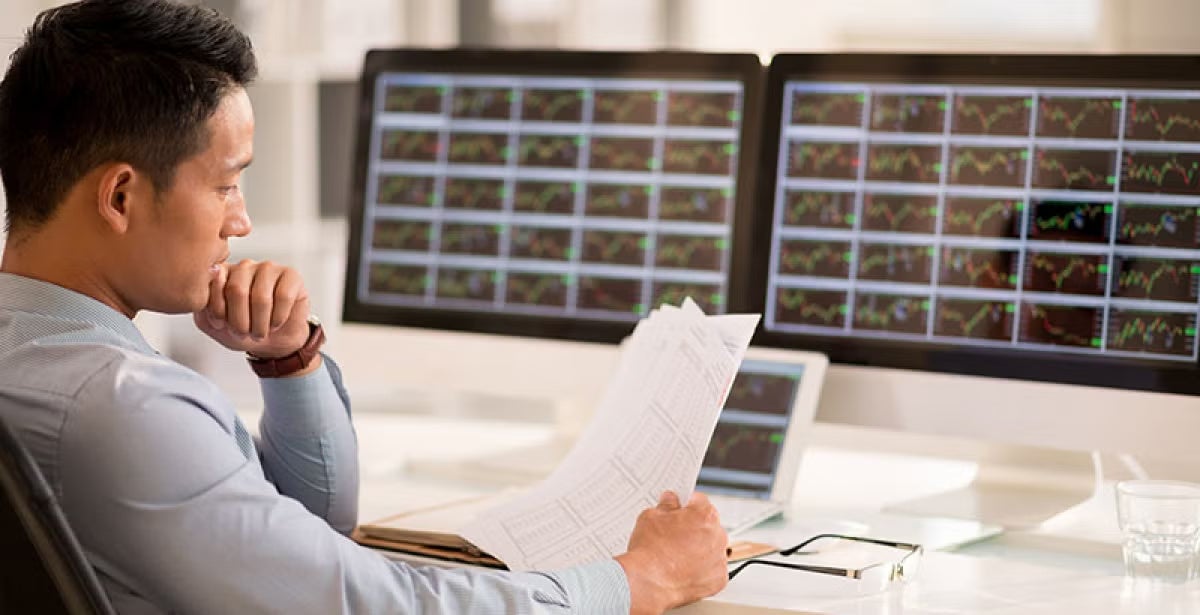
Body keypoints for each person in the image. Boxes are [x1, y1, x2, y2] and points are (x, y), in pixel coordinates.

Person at [0, 1, 729, 613]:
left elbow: (307, 536)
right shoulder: (122, 409)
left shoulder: (45, 364)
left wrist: (289, 360)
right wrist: (639, 578)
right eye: (225, 184)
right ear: (121, 196)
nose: (240, 220)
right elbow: (377, 602)